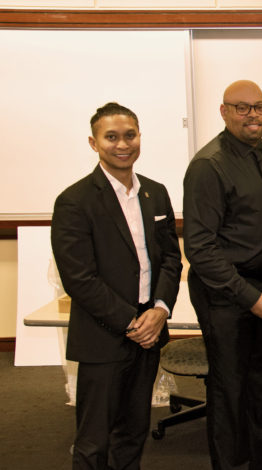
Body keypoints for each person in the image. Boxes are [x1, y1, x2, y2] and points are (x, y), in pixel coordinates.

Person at [51, 102, 183, 470]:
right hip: (104, 336)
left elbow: (171, 259)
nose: (122, 144)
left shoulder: (155, 193)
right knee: (94, 441)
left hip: (150, 330)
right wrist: (131, 322)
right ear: (94, 143)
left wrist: (159, 310)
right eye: (111, 137)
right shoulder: (74, 201)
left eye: (129, 135)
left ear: (139, 137)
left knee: (134, 432)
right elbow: (79, 278)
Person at [183, 80, 262, 470]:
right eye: (242, 108)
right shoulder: (208, 166)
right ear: (224, 112)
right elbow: (200, 249)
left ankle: (256, 463)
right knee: (230, 391)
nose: (253, 115)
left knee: (259, 387)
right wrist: (250, 297)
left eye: (259, 106)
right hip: (227, 296)